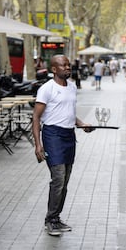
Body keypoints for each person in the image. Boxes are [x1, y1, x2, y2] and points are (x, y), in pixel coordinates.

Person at [32, 55, 94, 236]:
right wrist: (38, 145)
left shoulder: (73, 87)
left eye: (68, 64)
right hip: (53, 136)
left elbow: (68, 113)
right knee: (58, 179)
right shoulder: (46, 89)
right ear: (54, 69)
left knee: (64, 181)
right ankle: (50, 219)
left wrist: (81, 124)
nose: (68, 67)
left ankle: (56, 218)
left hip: (69, 137)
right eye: (63, 65)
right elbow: (36, 117)